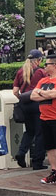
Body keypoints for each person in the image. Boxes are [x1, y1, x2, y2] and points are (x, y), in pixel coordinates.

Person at [13, 50, 46, 170]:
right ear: (38, 60)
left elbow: (15, 91)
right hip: (38, 104)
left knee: (29, 131)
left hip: (24, 105)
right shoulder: (41, 72)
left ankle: (21, 153)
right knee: (40, 133)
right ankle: (37, 162)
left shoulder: (20, 71)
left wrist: (23, 98)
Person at [30, 54, 56, 184]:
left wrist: (42, 93)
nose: (44, 66)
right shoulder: (43, 81)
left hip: (55, 117)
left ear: (54, 65)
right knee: (50, 146)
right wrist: (46, 94)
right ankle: (54, 171)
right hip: (44, 118)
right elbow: (33, 96)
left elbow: (54, 93)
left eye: (47, 64)